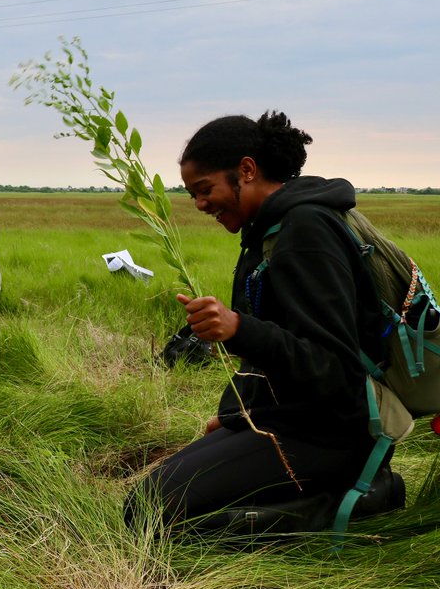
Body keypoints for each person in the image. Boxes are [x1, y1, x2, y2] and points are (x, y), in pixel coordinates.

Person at [132, 111, 402, 532]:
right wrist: (235, 416)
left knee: (150, 513)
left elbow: (335, 369)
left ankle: (353, 502)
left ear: (246, 170)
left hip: (332, 434)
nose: (201, 205)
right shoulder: (267, 232)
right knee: (147, 501)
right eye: (193, 196)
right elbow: (273, 354)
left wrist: (239, 328)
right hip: (286, 419)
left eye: (205, 190)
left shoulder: (305, 232)